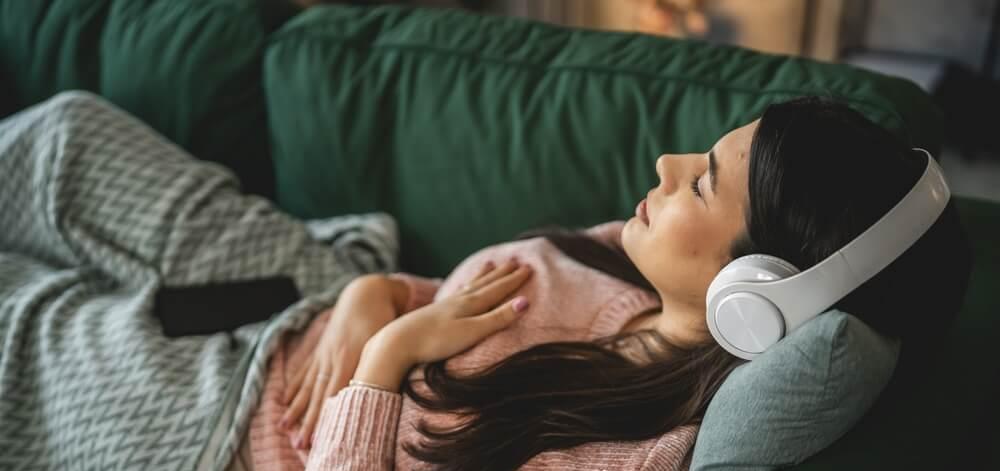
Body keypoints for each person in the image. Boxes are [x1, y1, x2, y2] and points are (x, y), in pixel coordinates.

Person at [239, 96, 972, 471]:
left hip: (228, 430)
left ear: (756, 290)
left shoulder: (631, 453)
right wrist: (373, 299)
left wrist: (383, 360)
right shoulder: (621, 257)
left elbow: (416, 344)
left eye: (705, 183)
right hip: (298, 311)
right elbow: (445, 301)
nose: (666, 164)